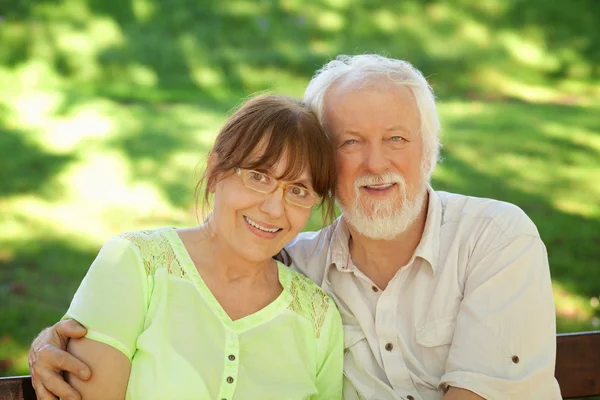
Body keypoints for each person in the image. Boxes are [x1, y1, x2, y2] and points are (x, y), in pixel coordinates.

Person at [29, 55, 561, 400]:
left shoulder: (495, 239)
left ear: (429, 151)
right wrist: (64, 337)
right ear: (328, 166)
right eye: (350, 142)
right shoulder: (298, 266)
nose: (376, 163)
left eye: (397, 138)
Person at [28, 95, 344, 400]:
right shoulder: (134, 264)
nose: (275, 208)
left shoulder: (317, 317)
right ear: (214, 171)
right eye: (258, 176)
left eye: (299, 190)